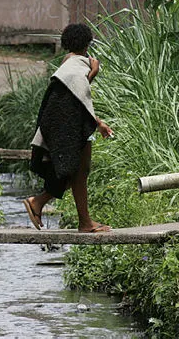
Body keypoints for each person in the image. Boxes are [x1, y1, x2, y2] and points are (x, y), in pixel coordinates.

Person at [23, 23, 113, 233]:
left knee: (77, 174)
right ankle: (83, 222)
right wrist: (93, 73)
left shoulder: (68, 62)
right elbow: (79, 97)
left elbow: (74, 96)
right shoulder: (78, 66)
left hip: (66, 126)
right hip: (73, 128)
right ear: (87, 43)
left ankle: (39, 203)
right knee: (79, 174)